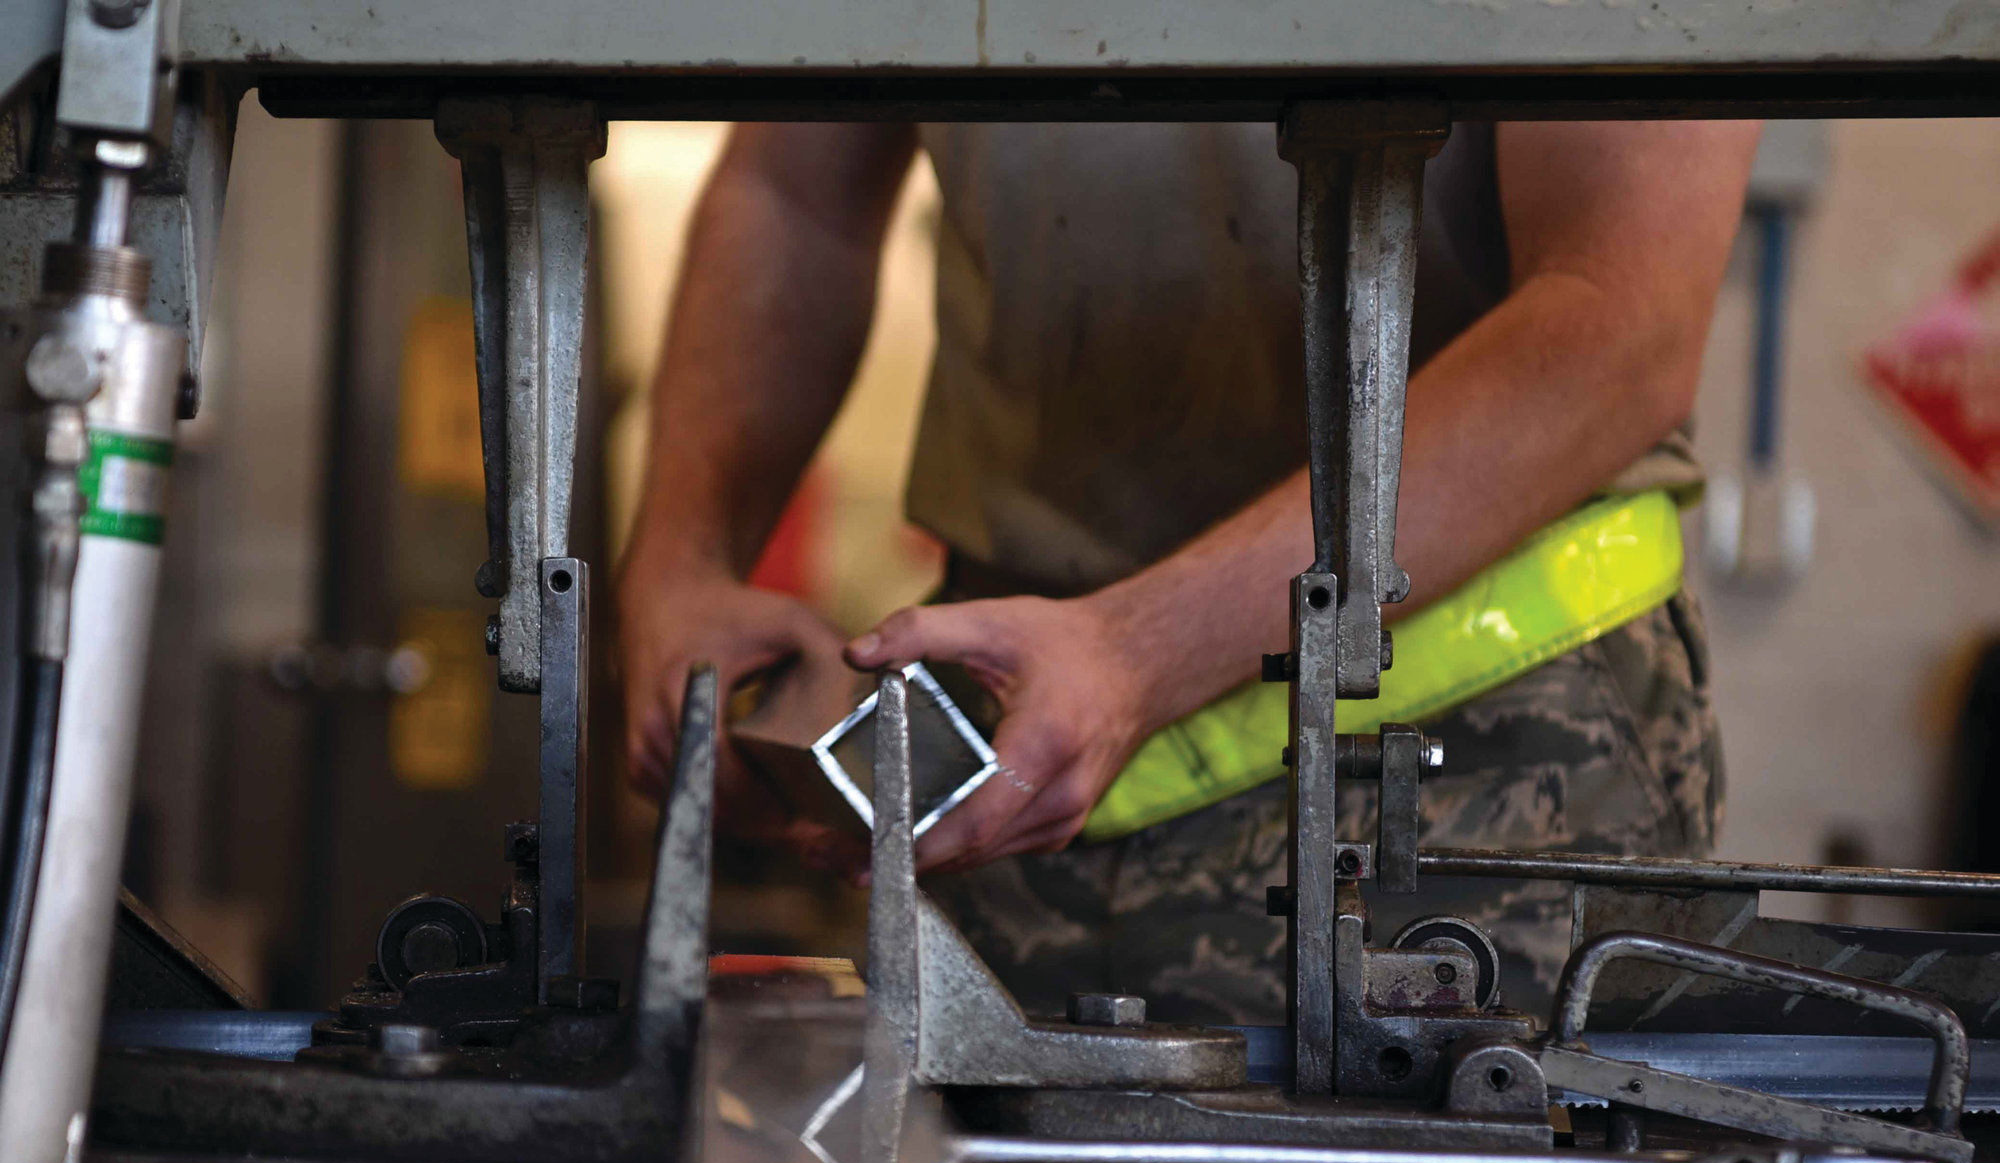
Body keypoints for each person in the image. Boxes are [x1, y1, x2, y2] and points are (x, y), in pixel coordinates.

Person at [617, 119, 1761, 1022]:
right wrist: (677, 564)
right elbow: (795, 192)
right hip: (1015, 754)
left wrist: (1140, 647)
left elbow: (1619, 321)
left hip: (1468, 772)